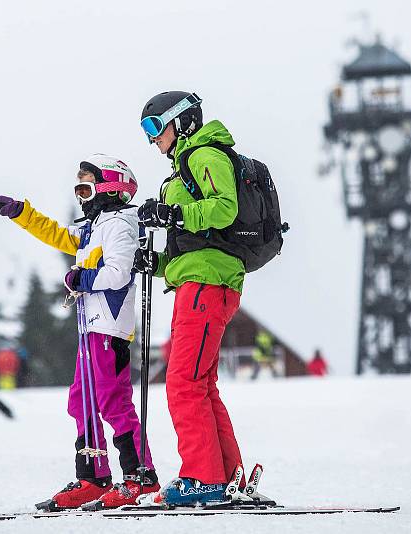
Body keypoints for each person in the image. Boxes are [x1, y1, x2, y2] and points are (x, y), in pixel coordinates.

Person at [0, 155, 159, 510]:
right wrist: (19, 212)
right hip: (89, 328)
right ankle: (93, 476)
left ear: (110, 187)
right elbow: (58, 234)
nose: (80, 195)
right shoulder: (95, 226)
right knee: (82, 401)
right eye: (77, 187)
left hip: (110, 328)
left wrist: (82, 278)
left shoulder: (121, 224)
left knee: (112, 401)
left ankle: (140, 477)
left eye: (85, 186)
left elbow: (119, 273)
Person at [135, 91, 253, 505]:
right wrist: (155, 262)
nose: (152, 140)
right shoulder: (186, 166)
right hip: (199, 278)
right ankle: (226, 475)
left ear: (180, 121)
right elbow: (195, 242)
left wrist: (174, 215)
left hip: (207, 283)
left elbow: (224, 210)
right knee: (200, 383)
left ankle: (204, 478)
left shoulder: (204, 155)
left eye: (154, 127)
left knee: (183, 382)